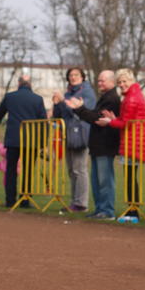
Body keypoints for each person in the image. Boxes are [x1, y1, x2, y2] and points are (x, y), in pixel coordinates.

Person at [96, 68, 145, 223]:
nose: (121, 84)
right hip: (134, 140)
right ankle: (132, 210)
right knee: (130, 177)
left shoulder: (131, 98)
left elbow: (125, 123)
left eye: (124, 81)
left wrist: (110, 121)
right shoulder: (133, 95)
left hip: (133, 142)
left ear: (131, 80)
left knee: (130, 178)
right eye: (119, 82)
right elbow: (126, 119)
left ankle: (133, 211)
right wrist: (114, 118)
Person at [65, 70, 120, 220]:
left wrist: (79, 108)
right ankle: (99, 209)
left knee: (104, 180)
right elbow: (95, 117)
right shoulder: (105, 97)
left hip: (105, 144)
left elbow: (96, 118)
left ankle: (107, 210)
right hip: (97, 145)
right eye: (99, 80)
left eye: (103, 81)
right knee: (96, 180)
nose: (99, 83)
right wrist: (82, 109)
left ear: (111, 81)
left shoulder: (111, 99)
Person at [0, 75, 47, 207]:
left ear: (19, 83)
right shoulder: (38, 99)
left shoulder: (10, 97)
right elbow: (43, 122)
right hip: (31, 141)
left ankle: (10, 200)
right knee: (28, 171)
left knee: (11, 171)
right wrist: (42, 143)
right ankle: (25, 200)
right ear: (30, 84)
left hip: (13, 139)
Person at [52, 67, 96, 212]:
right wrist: (57, 103)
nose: (73, 77)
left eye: (76, 75)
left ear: (82, 77)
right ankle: (74, 202)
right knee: (71, 170)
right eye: (71, 75)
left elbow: (79, 113)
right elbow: (58, 115)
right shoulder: (68, 93)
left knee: (79, 169)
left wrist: (63, 101)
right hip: (67, 134)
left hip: (81, 134)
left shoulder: (87, 92)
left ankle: (81, 203)